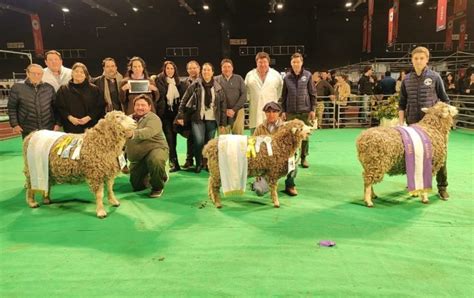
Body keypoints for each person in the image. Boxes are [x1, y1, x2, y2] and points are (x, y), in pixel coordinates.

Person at [398, 46, 450, 200]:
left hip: (432, 127)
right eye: (416, 58)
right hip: (413, 124)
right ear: (412, 60)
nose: (419, 61)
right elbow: (402, 103)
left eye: (422, 58)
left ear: (427, 59)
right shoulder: (407, 80)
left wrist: (440, 117)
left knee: (440, 155)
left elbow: (445, 100)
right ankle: (415, 184)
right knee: (413, 154)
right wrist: (401, 124)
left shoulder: (435, 77)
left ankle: (442, 186)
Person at [176, 63, 227, 173]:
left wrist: (222, 123)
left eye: (208, 70)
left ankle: (207, 164)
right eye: (204, 70)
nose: (206, 72)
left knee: (209, 143)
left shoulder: (218, 87)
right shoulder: (195, 85)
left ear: (212, 72)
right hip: (198, 118)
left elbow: (222, 106)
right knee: (198, 141)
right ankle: (198, 163)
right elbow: (184, 100)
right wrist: (180, 114)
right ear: (201, 71)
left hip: (212, 119)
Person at [125, 94, 169, 198]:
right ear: (134, 106)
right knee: (137, 186)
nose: (140, 107)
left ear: (149, 107)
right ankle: (153, 173)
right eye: (137, 105)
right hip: (138, 157)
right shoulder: (128, 119)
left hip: (155, 149)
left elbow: (148, 131)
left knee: (155, 160)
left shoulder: (154, 118)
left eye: (143, 105)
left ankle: (158, 186)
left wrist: (132, 134)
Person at [279, 53, 316, 168]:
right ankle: (292, 157)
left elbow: (312, 93)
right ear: (291, 63)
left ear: (301, 62)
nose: (296, 64)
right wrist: (283, 111)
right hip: (290, 112)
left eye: (298, 62)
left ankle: (304, 158)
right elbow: (284, 96)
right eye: (294, 62)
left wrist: (312, 109)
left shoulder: (308, 75)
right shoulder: (287, 77)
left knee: (305, 136)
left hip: (305, 111)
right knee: (291, 135)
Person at [254, 102, 298, 196]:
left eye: (274, 112)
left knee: (293, 162)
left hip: (282, 161)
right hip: (266, 164)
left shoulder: (286, 128)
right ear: (265, 113)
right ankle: (260, 181)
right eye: (268, 112)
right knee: (259, 191)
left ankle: (290, 185)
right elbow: (253, 147)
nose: (271, 114)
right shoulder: (259, 128)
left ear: (279, 113)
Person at [7, 64, 59, 138]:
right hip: (27, 128)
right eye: (33, 73)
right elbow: (12, 108)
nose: (36, 76)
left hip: (48, 127)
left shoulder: (49, 88)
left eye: (39, 74)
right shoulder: (17, 88)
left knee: (46, 149)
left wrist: (57, 123)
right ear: (27, 73)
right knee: (30, 149)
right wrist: (15, 124)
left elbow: (56, 108)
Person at [155, 61, 187, 172]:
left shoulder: (179, 83)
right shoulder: (159, 81)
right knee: (169, 139)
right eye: (167, 68)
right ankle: (174, 163)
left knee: (175, 139)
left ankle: (181, 161)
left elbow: (183, 99)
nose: (170, 71)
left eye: (172, 68)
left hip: (177, 116)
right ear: (164, 70)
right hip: (165, 115)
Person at [54, 62, 105, 133]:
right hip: (71, 127)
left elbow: (99, 106)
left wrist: (89, 117)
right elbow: (60, 107)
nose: (79, 74)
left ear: (85, 75)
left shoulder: (94, 89)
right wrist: (70, 118)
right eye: (76, 71)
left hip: (91, 127)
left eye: (82, 72)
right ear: (72, 73)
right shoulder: (63, 89)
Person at [245, 52, 283, 132]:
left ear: (268, 62)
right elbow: (246, 91)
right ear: (256, 63)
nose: (262, 65)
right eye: (260, 62)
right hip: (255, 111)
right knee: (255, 140)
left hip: (271, 112)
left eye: (265, 62)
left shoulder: (276, 75)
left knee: (272, 140)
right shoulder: (250, 75)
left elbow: (280, 90)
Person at [215, 58, 247, 135]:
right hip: (222, 112)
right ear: (221, 68)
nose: (227, 69)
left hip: (238, 111)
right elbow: (215, 97)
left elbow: (244, 95)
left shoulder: (239, 78)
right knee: (223, 138)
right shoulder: (216, 79)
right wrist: (224, 110)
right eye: (224, 67)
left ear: (232, 68)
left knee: (238, 136)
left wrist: (234, 110)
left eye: (229, 67)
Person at [181, 60, 201, 170]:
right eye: (190, 68)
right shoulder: (184, 83)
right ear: (187, 70)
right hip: (188, 114)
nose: (192, 70)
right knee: (190, 138)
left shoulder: (203, 81)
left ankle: (202, 160)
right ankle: (189, 160)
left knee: (200, 138)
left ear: (199, 68)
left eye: (194, 68)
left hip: (200, 114)